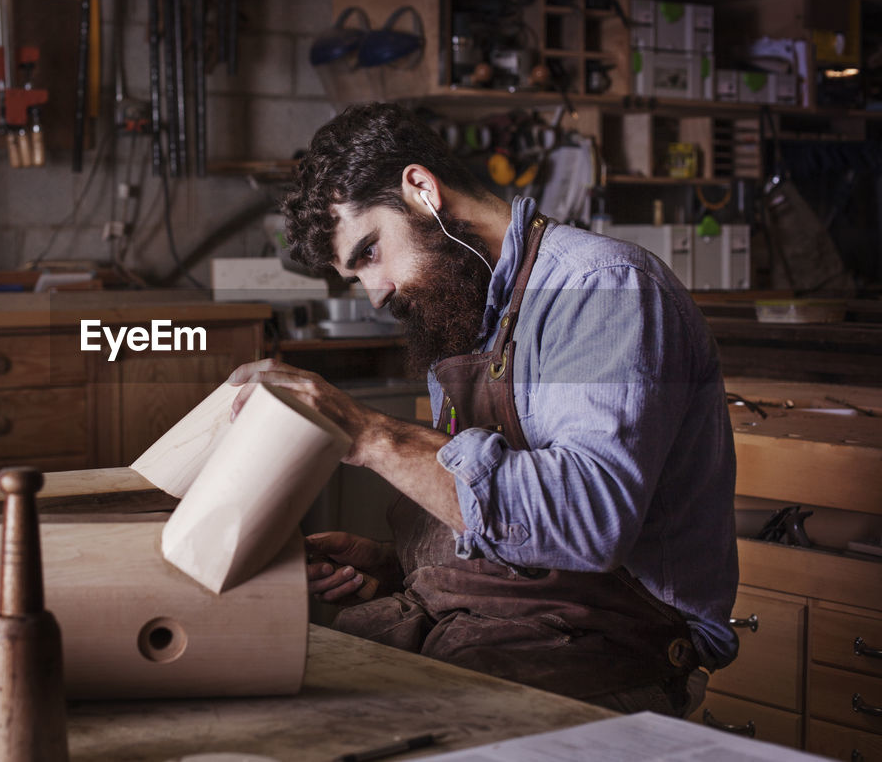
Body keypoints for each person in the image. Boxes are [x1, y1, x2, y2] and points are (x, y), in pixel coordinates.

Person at [227, 102, 738, 716]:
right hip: (495, 618)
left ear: (422, 191)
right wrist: (398, 566)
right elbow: (500, 517)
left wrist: (369, 434)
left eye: (369, 252)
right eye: (354, 274)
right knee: (275, 692)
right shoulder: (464, 305)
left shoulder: (600, 288)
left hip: (620, 639)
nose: (375, 290)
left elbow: (587, 521)